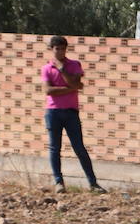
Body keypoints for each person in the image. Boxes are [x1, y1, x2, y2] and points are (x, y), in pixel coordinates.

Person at [41, 36, 105, 194]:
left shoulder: (74, 65)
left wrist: (63, 70)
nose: (60, 52)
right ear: (52, 49)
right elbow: (48, 90)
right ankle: (58, 182)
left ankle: (93, 182)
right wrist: (72, 88)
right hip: (53, 111)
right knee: (55, 148)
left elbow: (76, 82)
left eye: (62, 49)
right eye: (57, 49)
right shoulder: (46, 68)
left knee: (79, 147)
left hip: (71, 111)